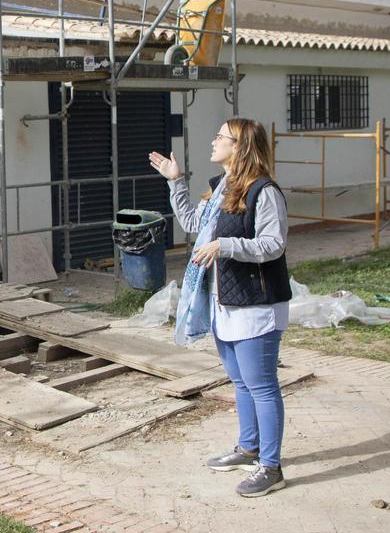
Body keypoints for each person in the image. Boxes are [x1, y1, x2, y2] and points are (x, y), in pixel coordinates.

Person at [148, 118, 292, 498]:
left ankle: (271, 466)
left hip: (257, 304)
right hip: (223, 302)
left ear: (240, 146)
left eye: (220, 137)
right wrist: (175, 181)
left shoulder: (264, 191)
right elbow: (195, 224)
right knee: (241, 382)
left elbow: (273, 244)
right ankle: (249, 449)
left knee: (262, 386)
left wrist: (226, 247)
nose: (213, 141)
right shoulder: (220, 188)